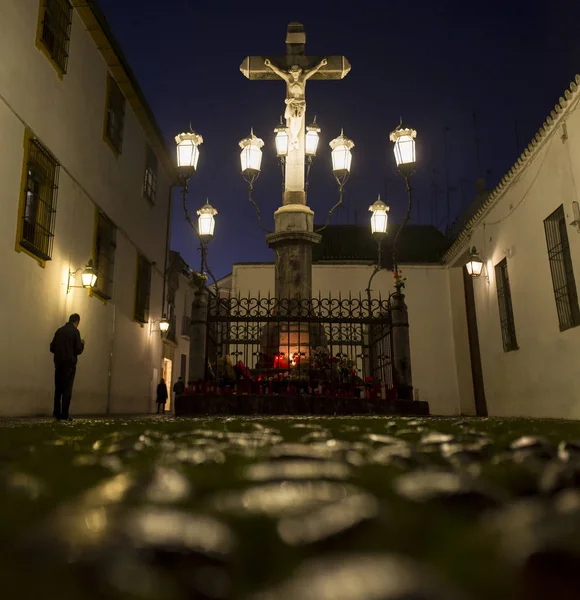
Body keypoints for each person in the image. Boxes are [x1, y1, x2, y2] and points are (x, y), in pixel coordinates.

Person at [50, 313, 85, 421]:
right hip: (69, 366)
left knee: (58, 390)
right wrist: (82, 344)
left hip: (59, 364)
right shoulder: (75, 332)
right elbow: (78, 350)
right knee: (67, 390)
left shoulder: (59, 331)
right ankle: (64, 414)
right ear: (77, 322)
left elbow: (52, 347)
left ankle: (56, 413)